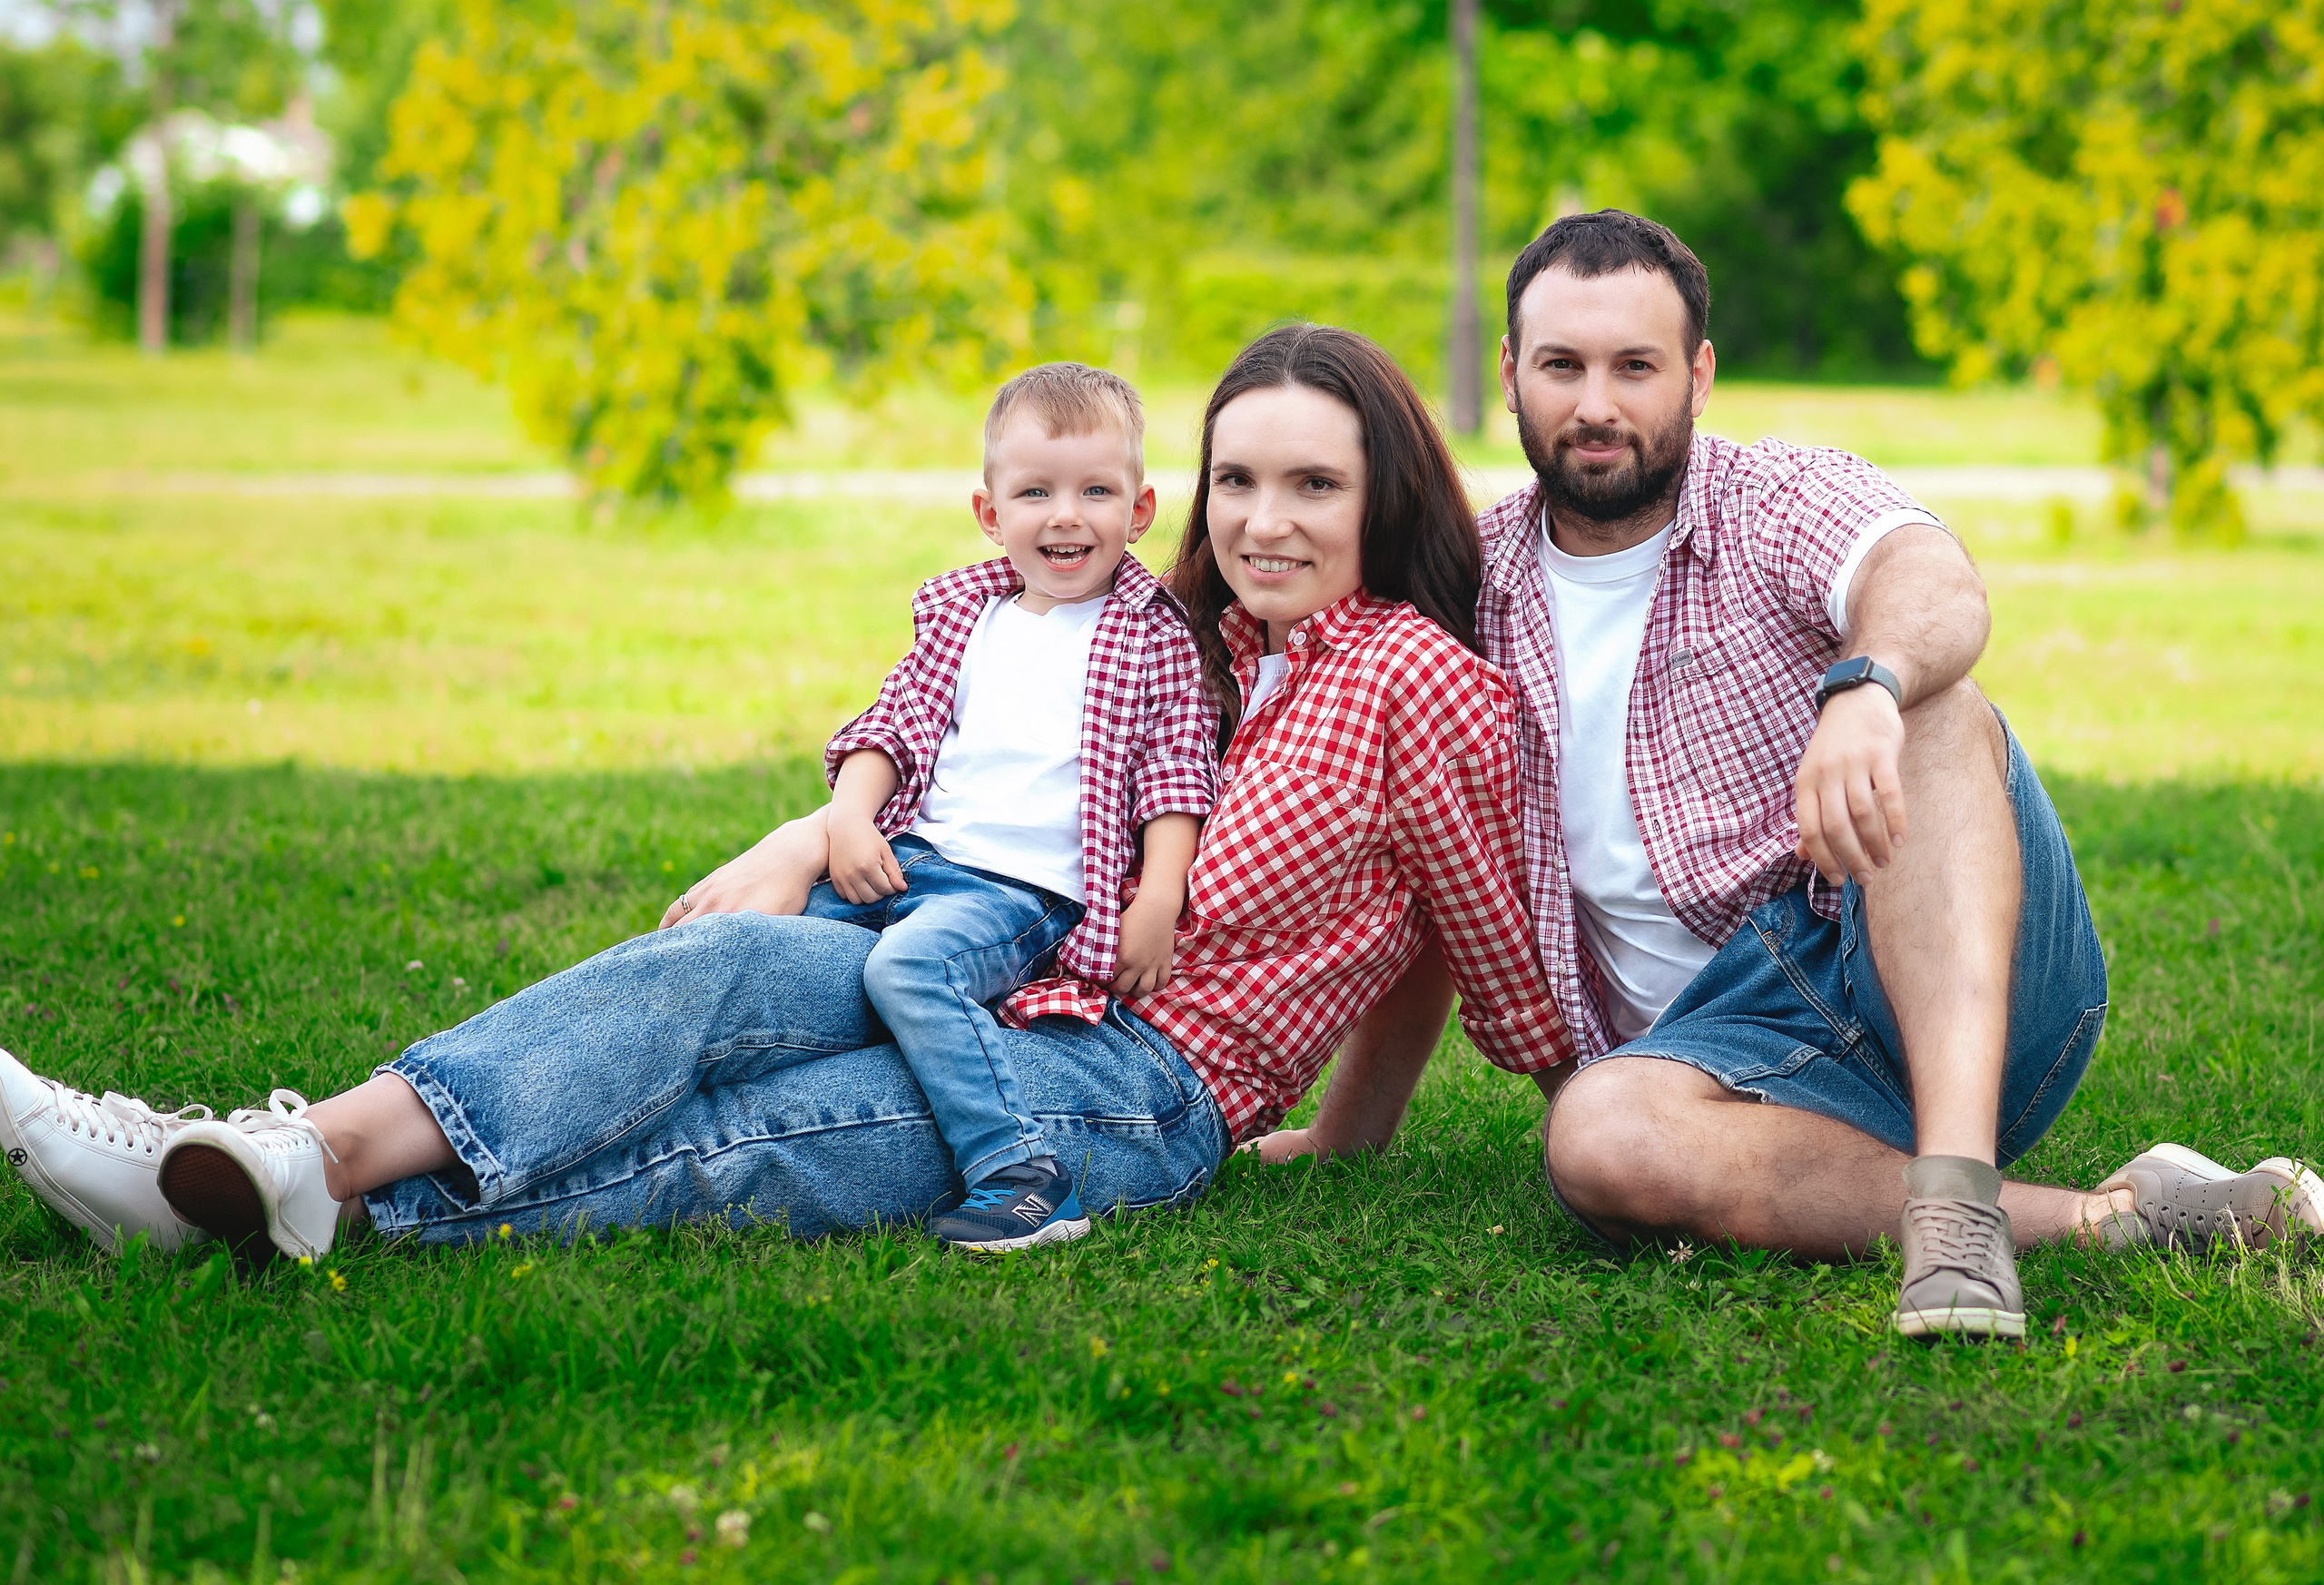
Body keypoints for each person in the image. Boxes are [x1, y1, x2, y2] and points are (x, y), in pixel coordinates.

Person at [0, 324, 1577, 1263]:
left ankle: (296, 1211)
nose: (1264, 520)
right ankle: (289, 1153)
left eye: (1314, 484)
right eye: (1240, 479)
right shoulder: (1188, 638)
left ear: (1386, 492)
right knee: (704, 975)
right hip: (987, 953)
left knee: (751, 1141)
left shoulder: (1428, 686)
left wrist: (1560, 1110)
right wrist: (809, 829)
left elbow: (1475, 948)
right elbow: (998, 766)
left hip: (1129, 1082)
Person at [1252, 210, 2323, 1337]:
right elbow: (1437, 858)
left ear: (1699, 375)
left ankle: (1958, 1198)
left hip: (1928, 979)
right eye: (1562, 366)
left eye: (1635, 367)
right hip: (1710, 1074)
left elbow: (1930, 578)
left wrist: (1866, 686)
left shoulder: (1773, 499)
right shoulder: (1472, 591)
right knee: (1594, 1137)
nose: (1597, 405)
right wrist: (1345, 1133)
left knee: (1934, 707)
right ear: (1512, 372)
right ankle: (2113, 1219)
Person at [787, 361, 1216, 1249]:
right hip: (914, 858)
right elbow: (891, 726)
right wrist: (851, 819)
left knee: (909, 970)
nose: (1066, 516)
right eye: (1035, 492)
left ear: (1139, 510)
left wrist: (1158, 898)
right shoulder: (961, 616)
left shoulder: (1151, 634)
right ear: (991, 514)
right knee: (774, 944)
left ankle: (1020, 1172)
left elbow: (1175, 775)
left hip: (1017, 893)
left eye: (1096, 491)